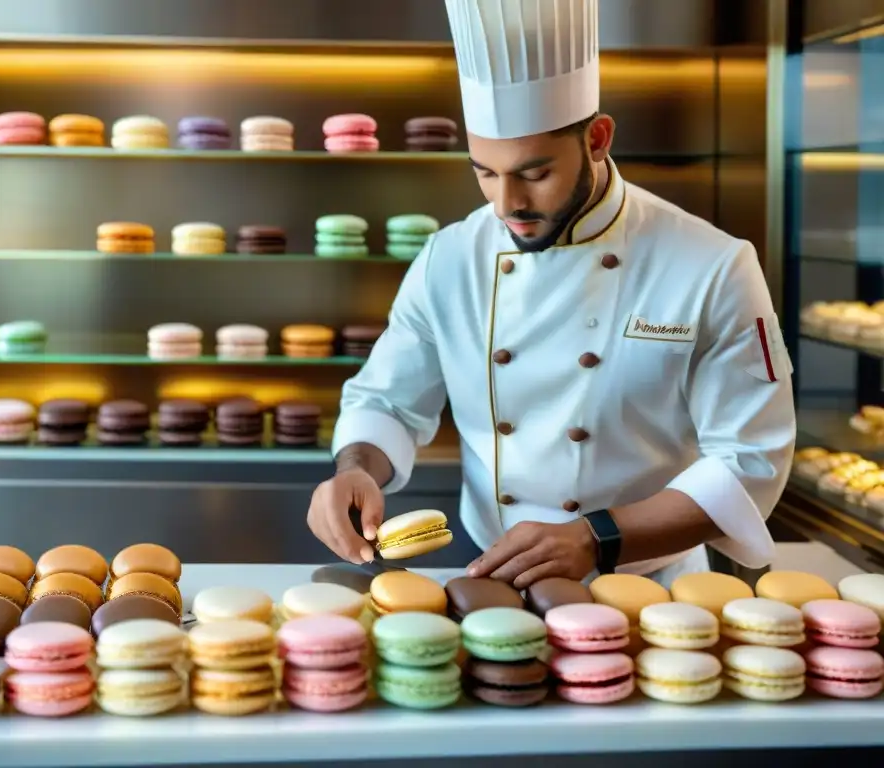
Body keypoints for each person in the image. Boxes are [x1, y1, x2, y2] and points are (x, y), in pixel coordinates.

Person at [306, 0, 796, 589]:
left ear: (597, 138)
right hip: (493, 578)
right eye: (484, 171)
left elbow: (751, 461)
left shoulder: (712, 264)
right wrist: (355, 469)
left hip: (648, 584)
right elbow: (388, 400)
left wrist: (598, 537)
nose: (506, 204)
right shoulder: (451, 257)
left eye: (534, 173)